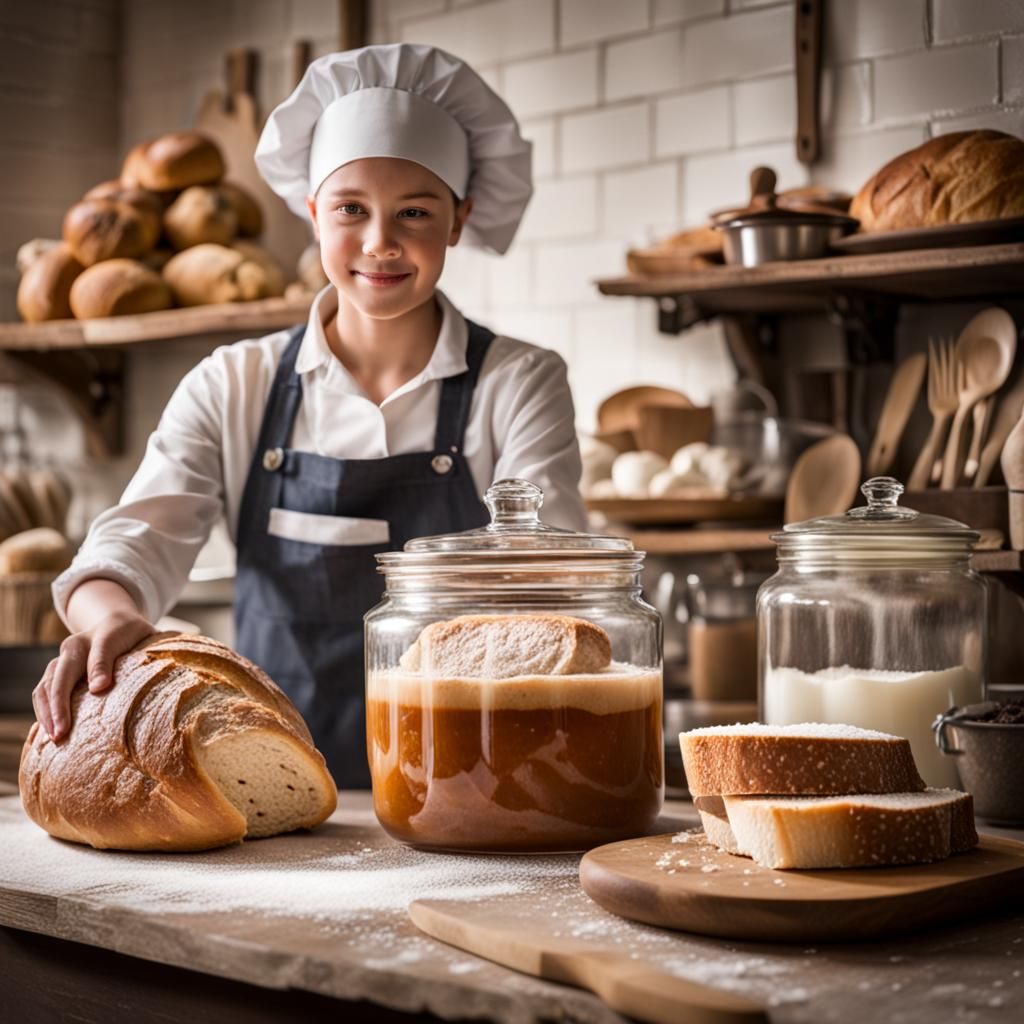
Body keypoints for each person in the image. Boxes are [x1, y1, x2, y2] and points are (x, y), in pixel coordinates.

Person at [34, 43, 587, 788]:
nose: (379, 242)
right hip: (272, 791)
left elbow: (551, 577)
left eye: (415, 212)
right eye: (351, 209)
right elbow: (138, 539)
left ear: (460, 219)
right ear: (312, 212)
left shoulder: (517, 381)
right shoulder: (238, 382)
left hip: (480, 788)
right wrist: (106, 619)